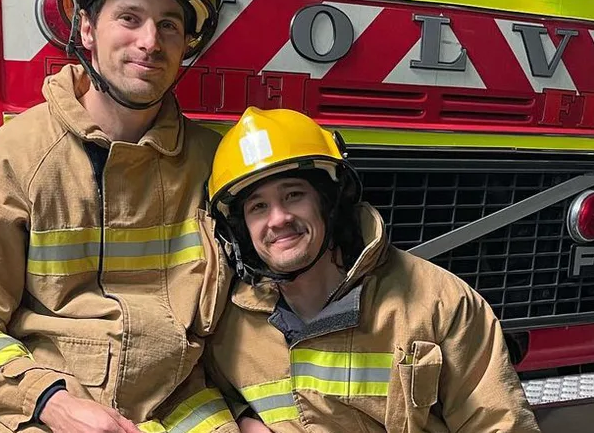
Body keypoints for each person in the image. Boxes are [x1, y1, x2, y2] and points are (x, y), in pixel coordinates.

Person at [0, 0, 239, 433]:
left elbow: (251, 310)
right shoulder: (12, 160)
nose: (150, 42)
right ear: (87, 29)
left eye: (168, 25)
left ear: (186, 44)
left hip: (182, 403)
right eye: (130, 18)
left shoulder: (215, 163)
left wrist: (251, 414)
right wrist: (53, 403)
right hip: (46, 403)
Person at [202, 107, 541, 433]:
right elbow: (201, 393)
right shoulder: (229, 324)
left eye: (293, 194)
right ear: (241, 230)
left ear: (329, 202)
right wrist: (242, 420)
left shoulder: (441, 303)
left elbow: (500, 423)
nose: (278, 219)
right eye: (259, 206)